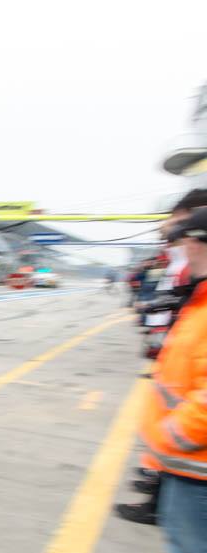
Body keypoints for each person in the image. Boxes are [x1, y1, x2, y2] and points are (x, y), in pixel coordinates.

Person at [112, 207, 207, 553]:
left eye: (182, 239)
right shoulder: (198, 296)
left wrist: (178, 430)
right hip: (181, 458)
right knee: (181, 544)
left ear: (198, 242)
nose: (176, 250)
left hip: (196, 453)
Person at [117, 189, 207, 526]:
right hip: (176, 354)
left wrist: (171, 435)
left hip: (187, 442)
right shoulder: (180, 266)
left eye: (180, 231)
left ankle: (154, 495)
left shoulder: (187, 261)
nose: (172, 236)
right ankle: (155, 489)